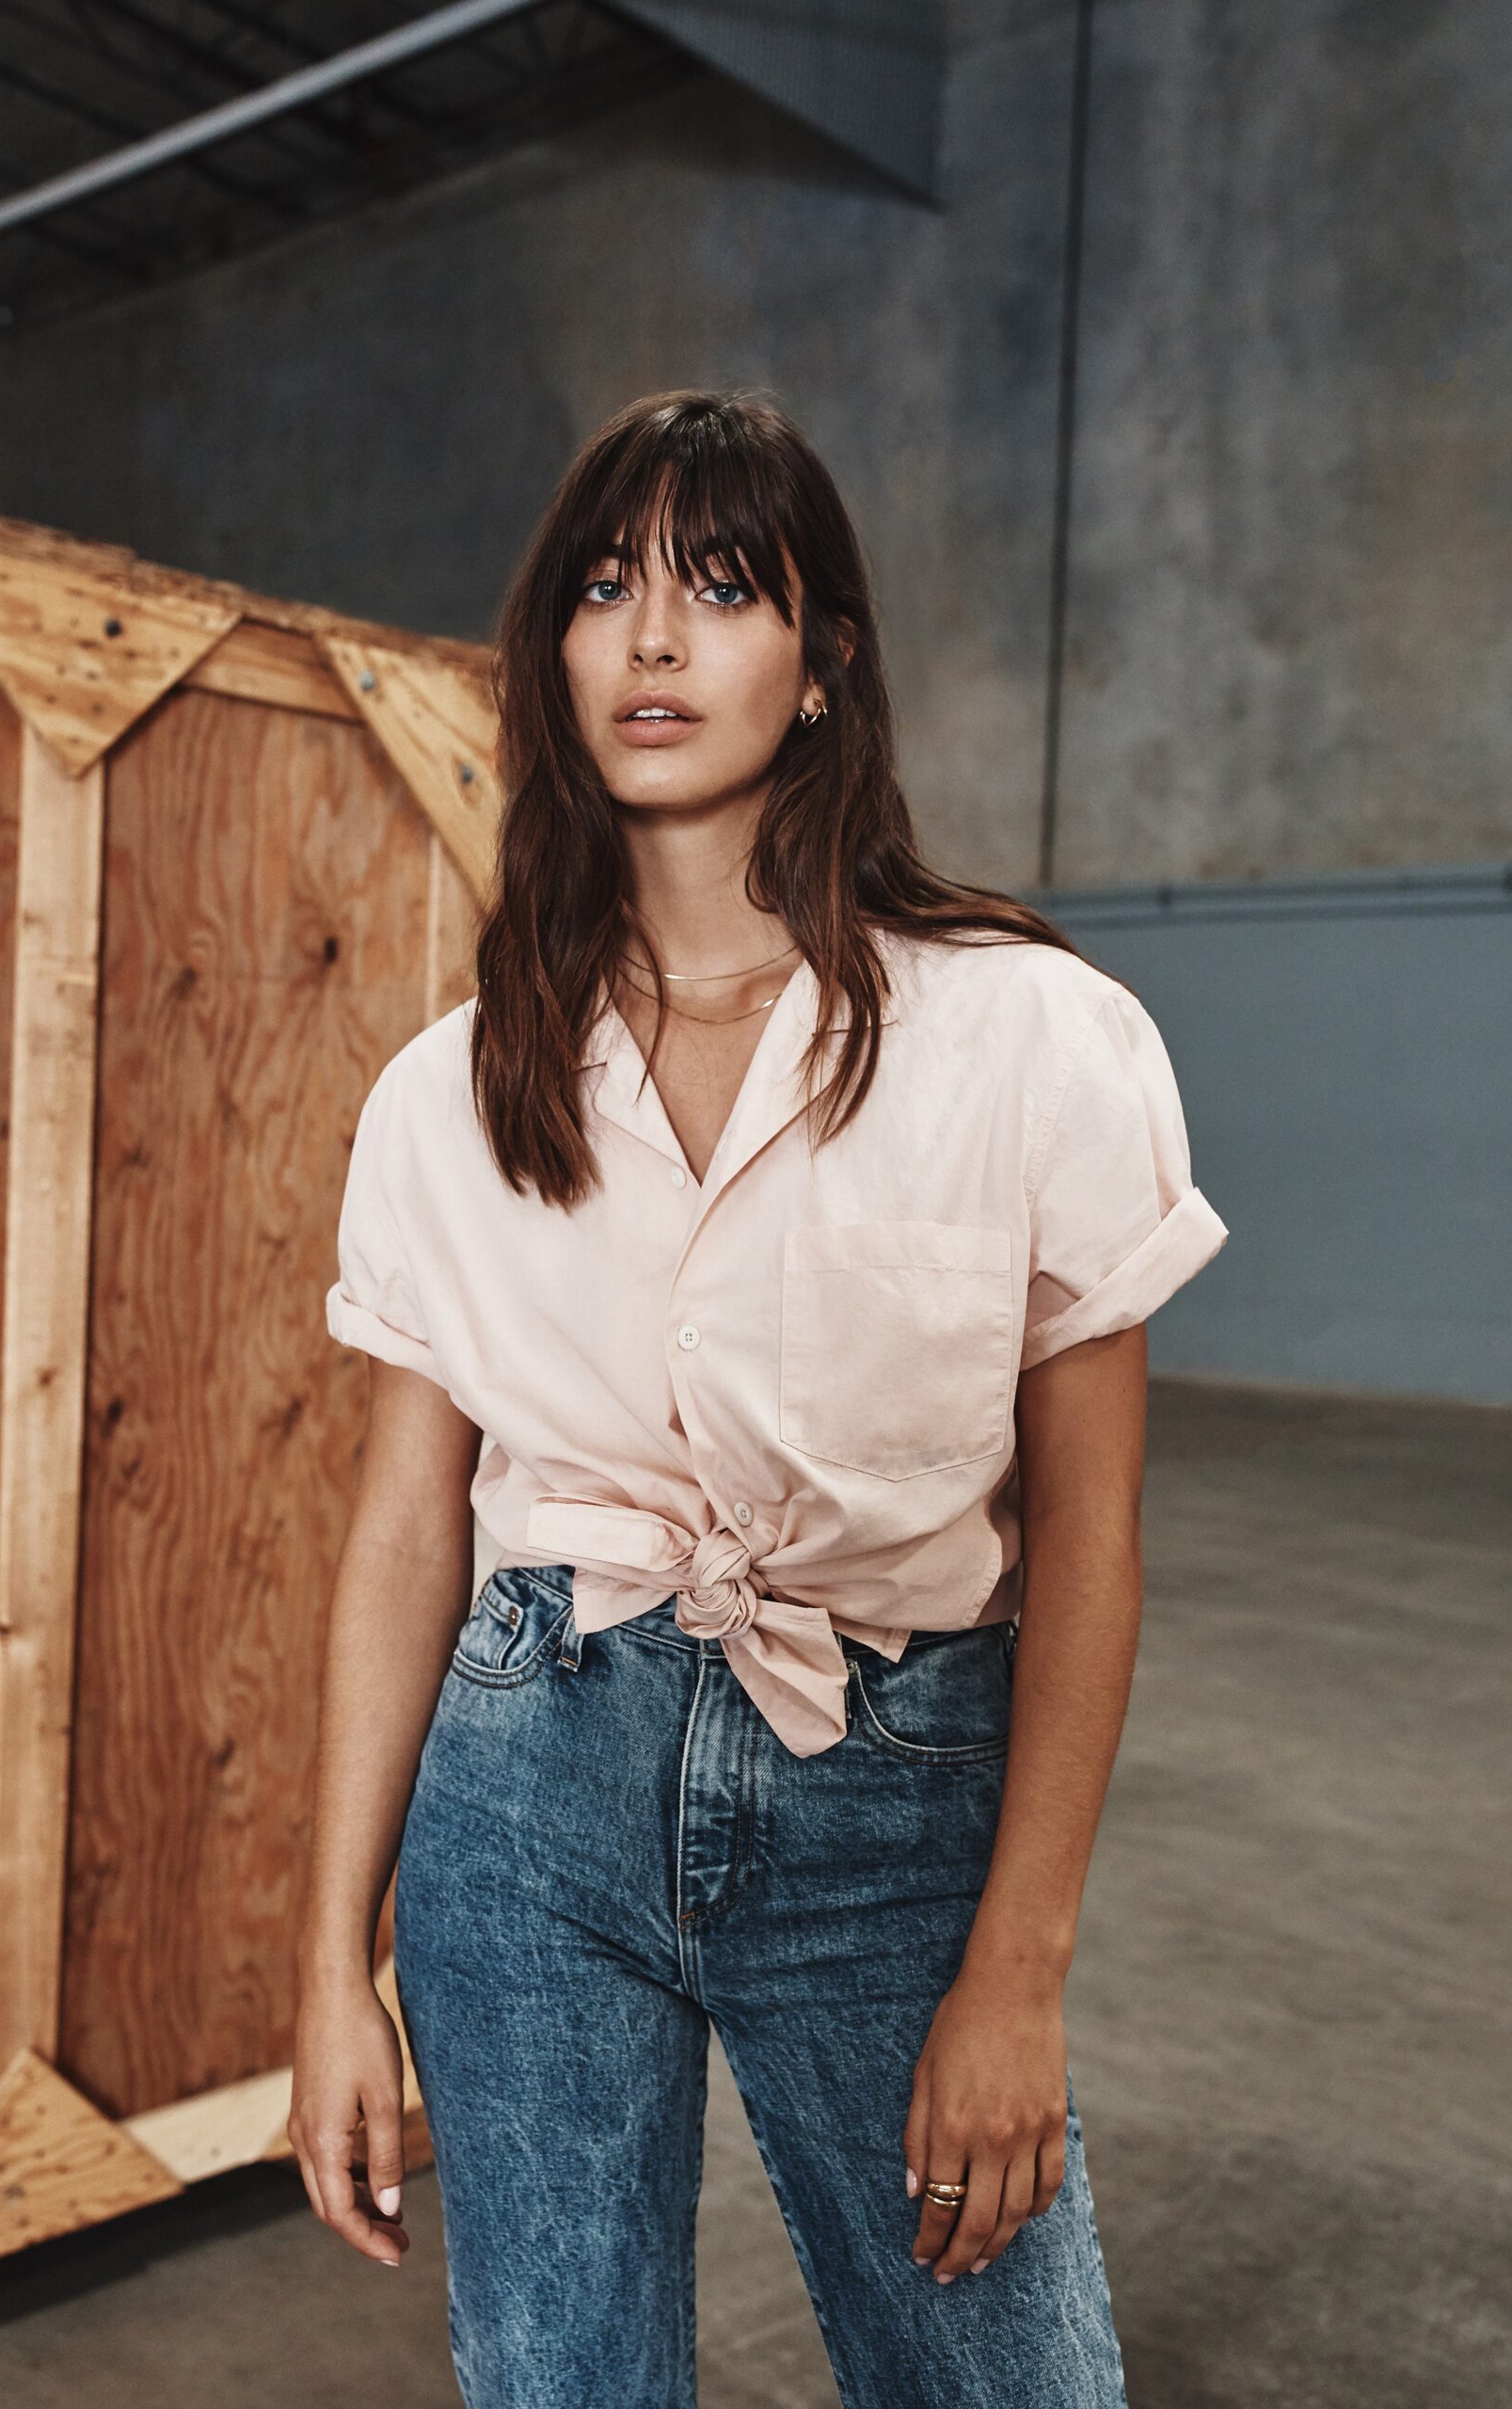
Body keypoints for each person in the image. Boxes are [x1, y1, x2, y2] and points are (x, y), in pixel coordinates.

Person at [289, 388, 1228, 2408]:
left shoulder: (1028, 1037)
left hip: (890, 1788)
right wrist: (323, 1964)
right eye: (605, 587)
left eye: (721, 588)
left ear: (822, 665)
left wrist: (1019, 1964)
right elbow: (401, 1528)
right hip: (528, 1784)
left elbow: (1088, 1534)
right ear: (547, 654)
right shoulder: (447, 1092)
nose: (649, 640)